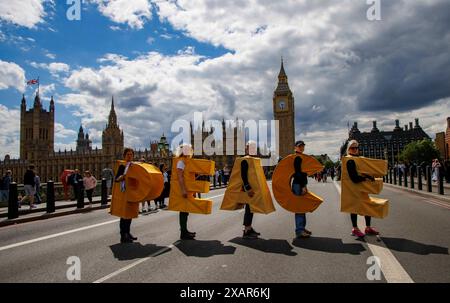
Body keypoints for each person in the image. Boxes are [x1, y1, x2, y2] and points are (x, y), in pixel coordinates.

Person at [345, 140, 379, 237]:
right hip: (354, 189)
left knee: (367, 207)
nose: (355, 150)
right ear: (348, 149)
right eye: (352, 148)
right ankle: (355, 229)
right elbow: (354, 178)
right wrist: (366, 177)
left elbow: (363, 171)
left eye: (356, 148)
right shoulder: (350, 160)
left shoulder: (359, 159)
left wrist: (369, 175)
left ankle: (368, 228)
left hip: (362, 188)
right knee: (354, 208)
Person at [113, 148, 138, 243]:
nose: (129, 156)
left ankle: (128, 232)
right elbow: (116, 179)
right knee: (124, 215)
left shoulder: (134, 166)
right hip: (124, 192)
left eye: (131, 154)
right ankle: (123, 235)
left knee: (130, 214)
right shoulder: (122, 166)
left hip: (132, 192)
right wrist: (122, 177)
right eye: (128, 154)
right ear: (124, 156)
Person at [175, 144, 197, 240]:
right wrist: (183, 190)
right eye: (187, 150)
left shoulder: (186, 162)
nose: (189, 151)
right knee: (183, 211)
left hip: (187, 189)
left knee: (186, 210)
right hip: (183, 190)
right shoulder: (181, 162)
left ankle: (185, 230)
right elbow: (179, 177)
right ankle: (183, 232)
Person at [292, 141, 312, 239]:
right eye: (299, 146)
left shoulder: (301, 157)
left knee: (302, 207)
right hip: (298, 184)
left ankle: (302, 228)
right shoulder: (297, 158)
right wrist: (303, 185)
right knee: (300, 208)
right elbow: (298, 173)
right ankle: (299, 230)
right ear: (295, 147)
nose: (301, 147)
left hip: (299, 184)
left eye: (302, 146)